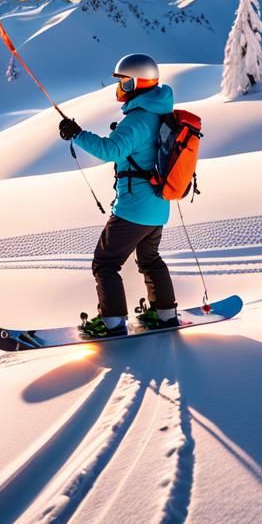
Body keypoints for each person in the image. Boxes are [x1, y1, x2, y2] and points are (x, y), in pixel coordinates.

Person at [59, 53, 179, 338]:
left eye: (125, 82)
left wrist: (77, 134)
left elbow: (110, 151)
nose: (120, 88)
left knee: (105, 263)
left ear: (139, 82)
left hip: (134, 208)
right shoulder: (158, 113)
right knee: (150, 259)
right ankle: (165, 314)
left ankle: (111, 323)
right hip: (158, 206)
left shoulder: (138, 120)